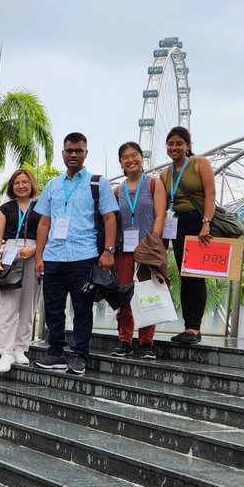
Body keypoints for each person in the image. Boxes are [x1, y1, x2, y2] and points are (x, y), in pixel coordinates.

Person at [33, 133, 118, 375]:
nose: (73, 155)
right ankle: (55, 351)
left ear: (85, 153)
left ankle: (79, 355)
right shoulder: (52, 185)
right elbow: (44, 223)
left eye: (78, 151)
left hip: (84, 255)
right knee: (53, 307)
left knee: (82, 308)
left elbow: (109, 217)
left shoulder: (97, 183)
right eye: (69, 150)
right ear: (63, 153)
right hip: (53, 257)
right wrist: (39, 256)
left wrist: (108, 251)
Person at [158, 126, 216, 345]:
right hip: (176, 223)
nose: (175, 147)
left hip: (196, 222)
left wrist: (206, 224)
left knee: (195, 275)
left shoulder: (200, 163)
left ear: (188, 145)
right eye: (171, 144)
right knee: (184, 276)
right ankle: (187, 327)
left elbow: (210, 193)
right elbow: (163, 204)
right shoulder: (165, 173)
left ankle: (195, 328)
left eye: (179, 143)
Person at [112, 142, 167, 359]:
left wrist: (152, 240)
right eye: (125, 157)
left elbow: (160, 214)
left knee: (149, 293)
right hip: (125, 249)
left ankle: (146, 342)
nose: (130, 160)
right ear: (121, 162)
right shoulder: (118, 191)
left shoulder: (154, 184)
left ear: (141, 158)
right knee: (125, 294)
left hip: (147, 248)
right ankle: (124, 339)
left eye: (134, 155)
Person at [0, 167, 41, 373]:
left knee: (29, 304)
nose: (21, 186)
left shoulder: (40, 207)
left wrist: (36, 249)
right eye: (17, 182)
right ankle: (6, 351)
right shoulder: (5, 208)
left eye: (25, 182)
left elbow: (48, 232)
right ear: (12, 186)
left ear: (31, 185)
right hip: (10, 252)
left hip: (34, 253)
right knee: (9, 305)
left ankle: (21, 348)